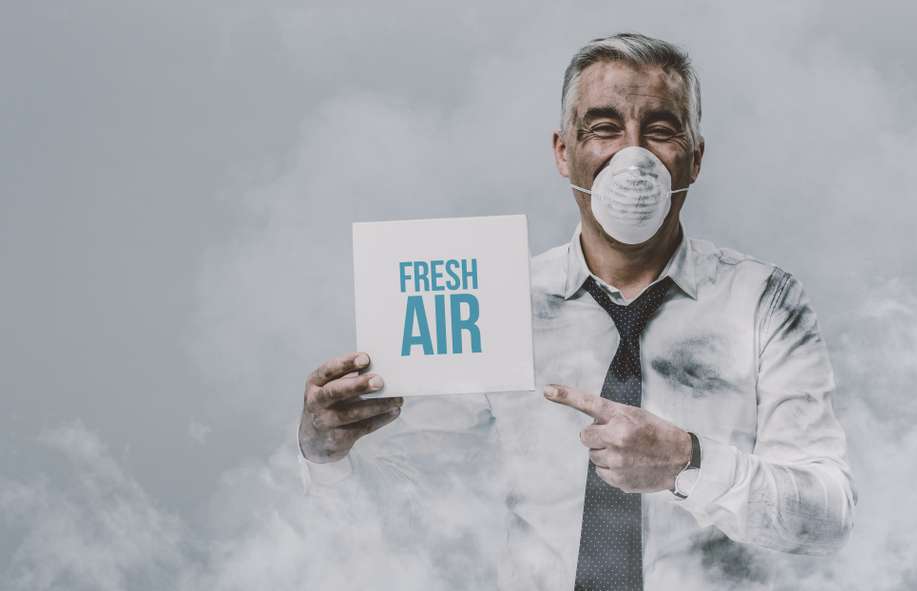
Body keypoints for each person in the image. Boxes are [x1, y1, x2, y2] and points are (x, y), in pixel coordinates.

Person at [297, 32, 857, 589]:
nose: (632, 156)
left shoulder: (765, 302)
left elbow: (827, 518)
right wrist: (327, 455)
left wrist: (688, 463)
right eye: (605, 128)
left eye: (660, 130)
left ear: (695, 159)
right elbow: (401, 505)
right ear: (564, 152)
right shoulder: (495, 301)